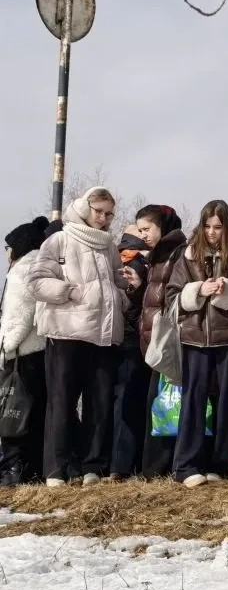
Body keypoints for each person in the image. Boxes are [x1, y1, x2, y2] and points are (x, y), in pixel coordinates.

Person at [28, 186, 136, 487]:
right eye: (98, 210)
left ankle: (93, 467)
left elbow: (117, 281)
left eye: (108, 213)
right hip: (66, 332)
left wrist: (120, 297)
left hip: (102, 334)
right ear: (84, 208)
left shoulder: (109, 246)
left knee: (99, 402)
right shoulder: (60, 238)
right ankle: (56, 469)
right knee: (61, 402)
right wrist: (69, 292)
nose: (102, 218)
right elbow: (36, 281)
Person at [166, 200, 228, 488]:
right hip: (193, 338)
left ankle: (219, 466)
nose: (212, 232)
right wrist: (198, 290)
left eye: (218, 227)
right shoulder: (187, 257)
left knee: (226, 402)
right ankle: (187, 466)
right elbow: (171, 296)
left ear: (226, 228)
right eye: (207, 226)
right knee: (193, 401)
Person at [137, 205, 187, 479]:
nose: (143, 235)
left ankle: (159, 468)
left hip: (167, 339)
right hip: (154, 339)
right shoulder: (156, 254)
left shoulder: (176, 251)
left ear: (162, 227)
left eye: (147, 229)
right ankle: (157, 467)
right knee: (159, 404)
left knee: (164, 403)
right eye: (140, 229)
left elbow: (169, 295)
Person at [0, 217, 50, 485]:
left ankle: (13, 471)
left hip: (21, 354)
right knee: (35, 411)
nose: (7, 253)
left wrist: (4, 348)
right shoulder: (40, 266)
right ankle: (33, 468)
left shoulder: (21, 271)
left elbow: (18, 316)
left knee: (14, 412)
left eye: (8, 247)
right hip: (40, 351)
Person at [109, 229, 151, 479]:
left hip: (112, 340)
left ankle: (115, 464)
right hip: (133, 342)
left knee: (115, 403)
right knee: (131, 404)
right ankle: (125, 465)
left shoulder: (112, 259)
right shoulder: (138, 262)